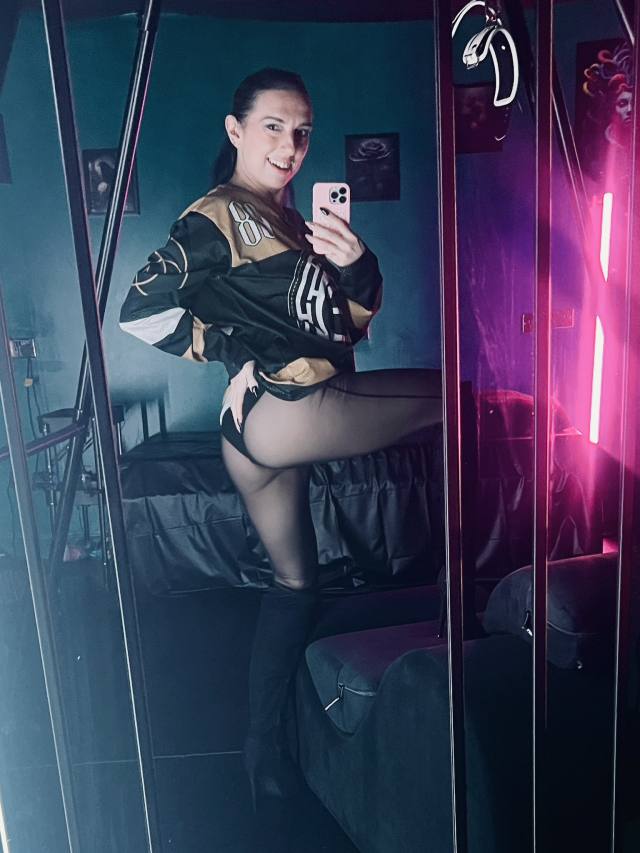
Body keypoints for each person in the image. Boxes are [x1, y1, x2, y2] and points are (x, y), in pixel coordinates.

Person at [119, 67, 443, 831]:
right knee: (459, 404)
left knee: (296, 585)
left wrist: (354, 261)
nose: (290, 145)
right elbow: (141, 311)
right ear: (235, 130)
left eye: (301, 131)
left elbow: (347, 326)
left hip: (257, 431)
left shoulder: (291, 221)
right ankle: (464, 624)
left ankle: (262, 752)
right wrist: (239, 349)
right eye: (272, 126)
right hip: (286, 409)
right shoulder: (219, 213)